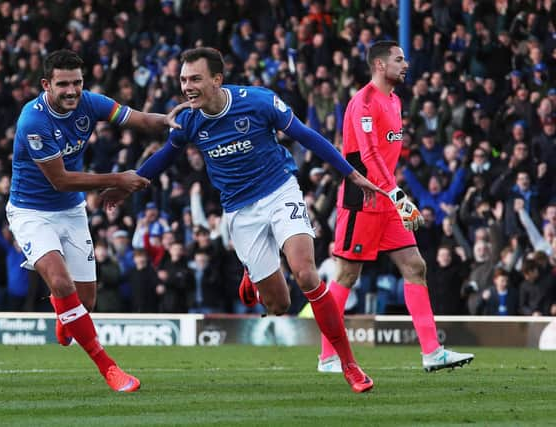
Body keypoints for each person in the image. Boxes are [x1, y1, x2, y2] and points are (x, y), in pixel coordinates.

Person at [103, 47, 386, 393]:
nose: (187, 86)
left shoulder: (258, 101)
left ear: (217, 79)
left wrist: (350, 173)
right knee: (279, 306)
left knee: (306, 273)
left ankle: (349, 364)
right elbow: (165, 157)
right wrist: (125, 187)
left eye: (195, 78)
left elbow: (306, 135)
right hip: (239, 211)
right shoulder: (189, 120)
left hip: (280, 191)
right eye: (183, 79)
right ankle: (252, 275)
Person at [6, 49, 185, 393]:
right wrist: (118, 180)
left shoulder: (91, 102)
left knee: (85, 304)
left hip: (71, 212)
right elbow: (60, 179)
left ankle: (65, 313)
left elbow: (137, 119)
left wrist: (168, 120)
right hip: (31, 212)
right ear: (47, 85)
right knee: (61, 282)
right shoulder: (33, 121)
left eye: (77, 82)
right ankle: (110, 368)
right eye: (63, 84)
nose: (72, 90)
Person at [321, 41, 474, 373]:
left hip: (388, 200)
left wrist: (393, 196)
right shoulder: (362, 102)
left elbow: (386, 158)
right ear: (379, 64)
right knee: (347, 274)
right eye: (399, 59)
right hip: (361, 199)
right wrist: (399, 195)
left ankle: (432, 352)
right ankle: (327, 356)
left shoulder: (395, 100)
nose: (405, 64)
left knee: (415, 266)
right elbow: (368, 156)